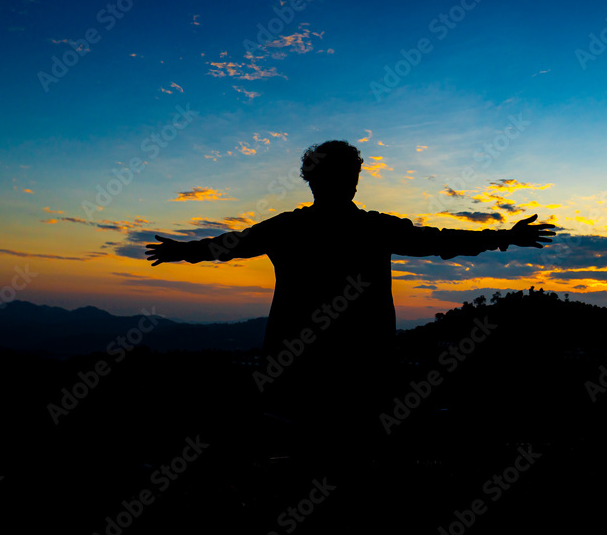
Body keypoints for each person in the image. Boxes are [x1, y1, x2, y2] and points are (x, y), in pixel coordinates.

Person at [145, 140, 556, 465]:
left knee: (311, 452)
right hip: (362, 370)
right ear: (354, 181)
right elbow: (439, 240)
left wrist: (183, 251)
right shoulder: (372, 228)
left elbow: (227, 247)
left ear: (311, 180)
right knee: (352, 459)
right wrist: (503, 237)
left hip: (303, 370)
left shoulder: (289, 228)